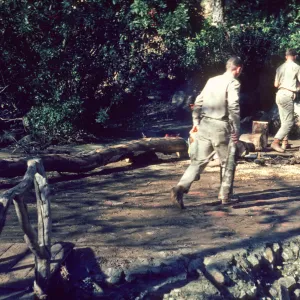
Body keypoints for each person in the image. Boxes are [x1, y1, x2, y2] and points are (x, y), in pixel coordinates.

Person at [170, 56, 243, 209]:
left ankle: (180, 187)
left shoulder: (212, 80)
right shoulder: (233, 83)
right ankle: (226, 196)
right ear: (238, 69)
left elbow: (198, 101)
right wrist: (236, 129)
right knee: (228, 161)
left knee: (198, 161)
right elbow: (234, 106)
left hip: (205, 124)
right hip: (221, 127)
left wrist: (196, 122)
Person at [271, 49, 300, 153]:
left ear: (286, 56)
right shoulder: (297, 67)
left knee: (284, 121)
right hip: (288, 95)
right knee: (289, 122)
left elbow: (275, 84)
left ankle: (285, 142)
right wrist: (297, 87)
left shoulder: (280, 68)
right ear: (295, 56)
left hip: (279, 94)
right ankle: (275, 142)